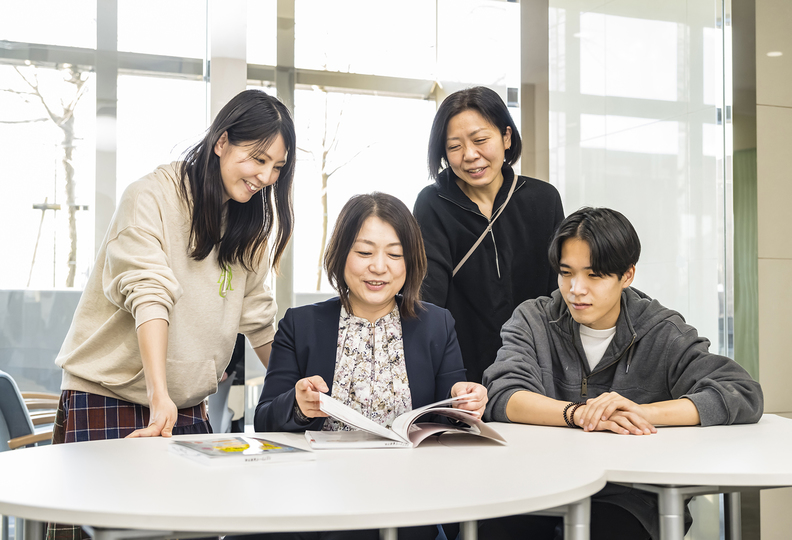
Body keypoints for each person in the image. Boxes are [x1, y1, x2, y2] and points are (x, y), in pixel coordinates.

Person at [482, 207, 764, 540]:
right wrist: (580, 415)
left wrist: (641, 413)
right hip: (538, 485)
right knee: (491, 525)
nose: (576, 289)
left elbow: (741, 392)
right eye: (566, 273)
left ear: (627, 275)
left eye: (594, 275)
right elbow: (503, 395)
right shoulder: (533, 320)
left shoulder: (660, 329)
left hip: (631, 497)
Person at [51, 89, 295, 444]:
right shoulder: (151, 197)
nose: (266, 176)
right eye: (258, 159)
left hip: (186, 404)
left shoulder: (248, 226)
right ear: (222, 142)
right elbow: (150, 295)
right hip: (108, 395)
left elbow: (258, 320)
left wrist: (300, 391)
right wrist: (158, 394)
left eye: (277, 167)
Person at [253, 192, 487, 540]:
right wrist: (298, 405)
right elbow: (264, 419)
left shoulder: (437, 324)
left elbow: (449, 425)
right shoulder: (300, 324)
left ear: (411, 262)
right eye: (364, 252)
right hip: (316, 497)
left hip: (407, 500)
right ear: (340, 255)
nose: (379, 267)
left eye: (395, 254)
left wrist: (466, 403)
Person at [413, 86, 564, 384]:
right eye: (454, 146)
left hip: (532, 371)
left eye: (481, 140)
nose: (470, 155)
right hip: (458, 375)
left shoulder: (543, 199)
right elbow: (427, 299)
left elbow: (557, 292)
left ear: (506, 137)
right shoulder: (432, 204)